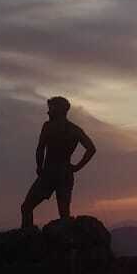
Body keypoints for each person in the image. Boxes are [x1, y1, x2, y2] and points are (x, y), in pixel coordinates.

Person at [21, 96, 95, 229]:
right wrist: (77, 167)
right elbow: (91, 148)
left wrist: (39, 167)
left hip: (49, 173)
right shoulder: (74, 130)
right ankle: (62, 243)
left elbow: (40, 148)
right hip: (64, 173)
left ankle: (27, 238)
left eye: (51, 109)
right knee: (64, 214)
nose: (48, 112)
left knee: (27, 207)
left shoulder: (48, 126)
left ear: (60, 110)